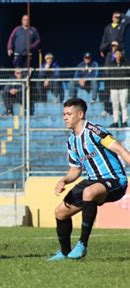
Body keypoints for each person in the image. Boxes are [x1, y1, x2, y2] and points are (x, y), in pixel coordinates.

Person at [48, 97, 130, 261]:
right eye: (64, 114)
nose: (65, 117)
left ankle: (82, 245)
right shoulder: (71, 140)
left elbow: (120, 150)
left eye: (68, 114)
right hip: (92, 180)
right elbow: (75, 170)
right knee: (61, 212)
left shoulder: (95, 131)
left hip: (114, 179)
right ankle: (65, 252)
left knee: (88, 192)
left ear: (80, 114)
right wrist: (64, 180)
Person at [106, 49, 129, 128]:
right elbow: (108, 74)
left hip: (124, 87)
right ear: (114, 55)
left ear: (121, 55)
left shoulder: (126, 63)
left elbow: (126, 73)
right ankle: (115, 122)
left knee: (124, 105)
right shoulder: (111, 64)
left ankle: (124, 122)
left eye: (119, 54)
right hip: (114, 87)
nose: (118, 55)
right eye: (116, 54)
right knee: (115, 105)